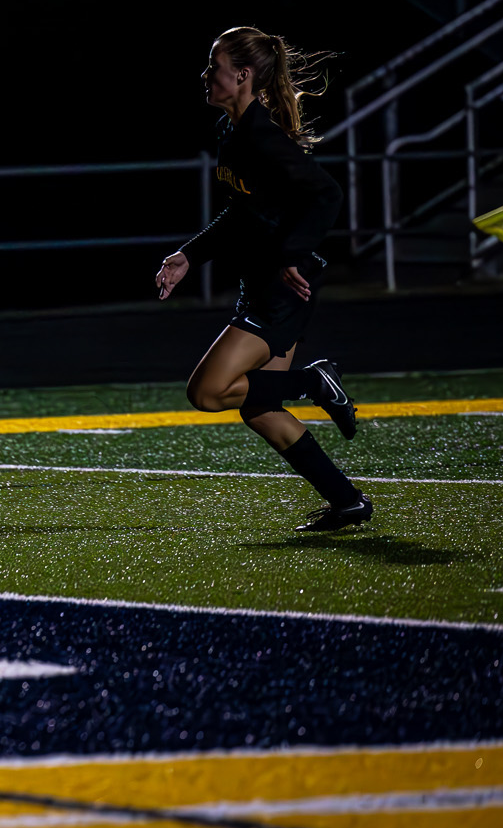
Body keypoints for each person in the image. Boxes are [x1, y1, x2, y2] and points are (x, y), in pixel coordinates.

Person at [154, 27, 367, 532]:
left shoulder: (261, 135)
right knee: (260, 405)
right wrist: (189, 255)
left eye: (215, 66)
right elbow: (243, 214)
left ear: (243, 75)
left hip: (281, 290)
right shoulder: (233, 132)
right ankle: (347, 502)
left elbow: (327, 193)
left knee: (206, 393)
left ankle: (314, 380)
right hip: (266, 282)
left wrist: (292, 251)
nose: (207, 75)